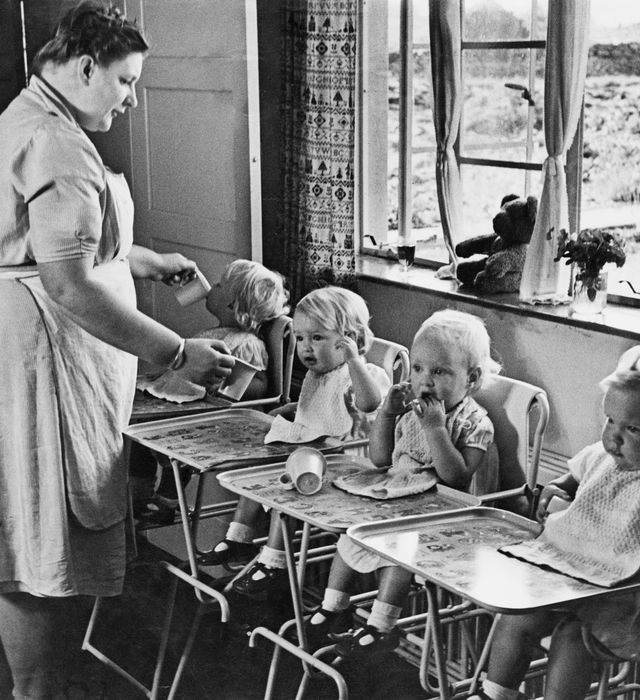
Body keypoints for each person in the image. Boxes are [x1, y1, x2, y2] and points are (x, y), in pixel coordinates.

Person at [0, 3, 237, 697]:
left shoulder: (30, 119)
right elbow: (68, 285)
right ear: (84, 69)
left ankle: (39, 685)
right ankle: (37, 688)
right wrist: (175, 353)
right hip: (44, 364)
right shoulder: (56, 142)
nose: (132, 100)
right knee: (39, 542)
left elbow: (42, 245)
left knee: (26, 536)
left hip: (32, 347)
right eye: (126, 81)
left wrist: (138, 259)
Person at [469, 344, 640, 700]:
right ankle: (494, 693)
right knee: (519, 616)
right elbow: (573, 480)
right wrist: (554, 491)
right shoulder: (602, 456)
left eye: (633, 429)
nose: (614, 437)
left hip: (634, 601)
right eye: (610, 421)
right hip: (578, 576)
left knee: (573, 637)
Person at [306, 309, 501, 658]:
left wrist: (436, 430)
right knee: (351, 535)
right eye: (418, 369)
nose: (424, 381)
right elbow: (382, 459)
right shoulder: (413, 411)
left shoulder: (475, 423)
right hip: (401, 499)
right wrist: (387, 414)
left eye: (439, 372)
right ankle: (333, 607)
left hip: (448, 514)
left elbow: (456, 478)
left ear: (470, 378)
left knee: (400, 552)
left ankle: (381, 627)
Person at [199, 286, 390, 587]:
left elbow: (369, 403)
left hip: (349, 466)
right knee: (257, 475)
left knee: (286, 486)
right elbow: (317, 409)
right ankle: (238, 537)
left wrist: (354, 361)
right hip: (316, 456)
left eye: (317, 338)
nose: (305, 348)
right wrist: (292, 409)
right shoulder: (320, 374)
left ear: (349, 341)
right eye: (300, 338)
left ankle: (273, 560)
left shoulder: (362, 374)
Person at [132, 259, 289, 525]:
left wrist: (223, 384)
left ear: (231, 305)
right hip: (183, 401)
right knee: (135, 431)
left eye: (219, 285)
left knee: (165, 442)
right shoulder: (216, 332)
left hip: (210, 413)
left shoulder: (245, 343)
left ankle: (167, 499)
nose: (211, 287)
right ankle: (138, 495)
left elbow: (258, 384)